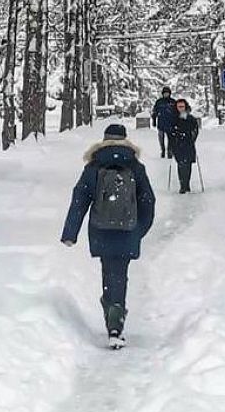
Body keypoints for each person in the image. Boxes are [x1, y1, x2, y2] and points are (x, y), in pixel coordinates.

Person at [61, 123, 156, 349]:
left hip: (101, 229)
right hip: (127, 231)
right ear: (125, 139)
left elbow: (79, 200)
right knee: (120, 275)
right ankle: (116, 323)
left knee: (108, 273)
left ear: (104, 140)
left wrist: (70, 233)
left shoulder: (94, 167)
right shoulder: (135, 166)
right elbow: (148, 201)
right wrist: (139, 230)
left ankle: (111, 318)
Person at [168, 98, 200, 194]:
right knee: (181, 164)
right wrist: (172, 143)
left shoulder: (191, 118)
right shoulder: (173, 118)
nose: (180, 108)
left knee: (188, 164)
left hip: (188, 144)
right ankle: (182, 185)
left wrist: (192, 139)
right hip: (177, 144)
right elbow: (170, 131)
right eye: (179, 107)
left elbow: (195, 130)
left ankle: (187, 184)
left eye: (182, 106)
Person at [151, 87, 177, 158]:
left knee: (171, 139)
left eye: (167, 93)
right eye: (165, 93)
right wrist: (154, 120)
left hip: (171, 124)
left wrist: (177, 122)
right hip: (161, 124)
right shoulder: (159, 102)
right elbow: (155, 112)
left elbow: (177, 113)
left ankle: (170, 151)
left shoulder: (173, 102)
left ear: (169, 93)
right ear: (162, 94)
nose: (166, 94)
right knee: (161, 138)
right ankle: (163, 149)